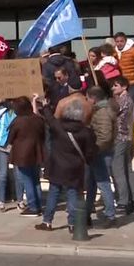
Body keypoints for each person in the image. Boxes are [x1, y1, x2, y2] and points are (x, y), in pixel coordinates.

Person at [35, 95, 97, 232]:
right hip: (75, 167)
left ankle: (47, 221)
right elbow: (90, 152)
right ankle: (72, 224)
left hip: (57, 166)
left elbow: (49, 118)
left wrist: (45, 105)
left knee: (53, 193)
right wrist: (88, 161)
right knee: (72, 194)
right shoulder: (86, 132)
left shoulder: (58, 126)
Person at [7, 97, 45, 216]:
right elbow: (43, 135)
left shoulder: (18, 121)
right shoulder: (38, 119)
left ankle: (33, 206)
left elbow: (10, 138)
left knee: (27, 180)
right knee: (35, 180)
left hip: (22, 155)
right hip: (36, 153)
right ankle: (38, 205)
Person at [86, 86, 117, 228]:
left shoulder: (102, 112)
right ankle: (87, 213)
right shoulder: (101, 110)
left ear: (93, 98)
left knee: (103, 183)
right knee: (91, 183)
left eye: (87, 98)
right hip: (99, 152)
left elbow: (105, 135)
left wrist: (95, 149)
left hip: (101, 152)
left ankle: (110, 215)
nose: (87, 101)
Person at [110, 76, 134, 214]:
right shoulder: (127, 100)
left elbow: (113, 112)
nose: (113, 88)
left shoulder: (124, 100)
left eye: (115, 86)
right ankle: (132, 199)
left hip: (120, 137)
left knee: (118, 170)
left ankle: (123, 201)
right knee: (127, 169)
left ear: (124, 87)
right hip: (127, 138)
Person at [0, 102, 18, 211]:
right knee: (3, 174)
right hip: (1, 145)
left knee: (18, 175)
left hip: (15, 146)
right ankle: (1, 202)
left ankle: (20, 200)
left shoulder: (18, 111)